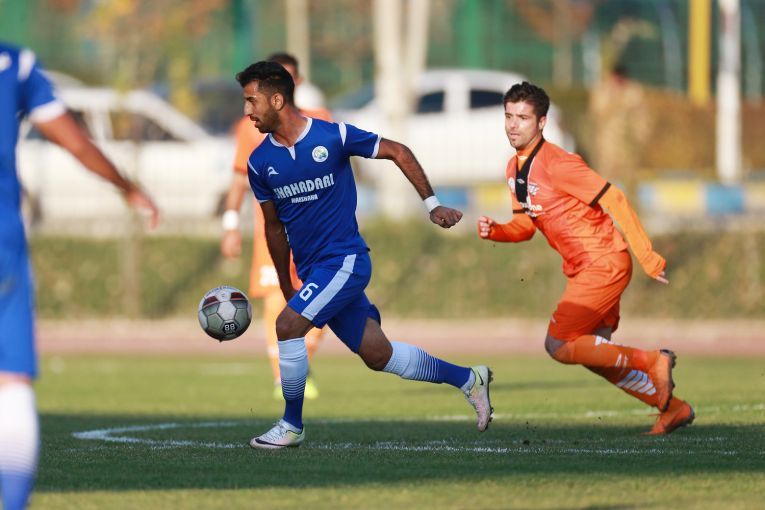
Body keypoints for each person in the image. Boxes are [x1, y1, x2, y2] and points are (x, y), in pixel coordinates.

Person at [235, 60, 493, 449]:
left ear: (276, 100)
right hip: (314, 271)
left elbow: (398, 151)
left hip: (345, 261)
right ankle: (469, 379)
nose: (247, 111)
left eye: (251, 101)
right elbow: (273, 228)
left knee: (287, 327)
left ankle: (291, 425)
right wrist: (288, 283)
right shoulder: (259, 162)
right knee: (378, 355)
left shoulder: (333, 136)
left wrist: (432, 205)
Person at [477, 82, 693, 435]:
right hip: (585, 269)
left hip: (603, 262)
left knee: (559, 344)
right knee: (594, 353)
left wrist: (647, 255)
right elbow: (525, 226)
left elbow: (615, 199)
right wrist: (497, 231)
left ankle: (654, 360)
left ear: (542, 122)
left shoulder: (558, 163)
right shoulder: (514, 169)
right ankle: (672, 408)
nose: (513, 125)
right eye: (509, 116)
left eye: (523, 118)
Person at [0, 42, 159, 509]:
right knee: (11, 383)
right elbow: (73, 141)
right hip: (2, 237)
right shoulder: (14, 63)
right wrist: (127, 187)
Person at [220, 53, 332, 400]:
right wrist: (230, 224)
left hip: (317, 233)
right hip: (273, 232)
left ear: (296, 83)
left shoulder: (321, 121)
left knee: (325, 302)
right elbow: (239, 178)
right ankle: (284, 376)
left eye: (290, 77)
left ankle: (301, 361)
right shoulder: (249, 127)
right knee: (274, 303)